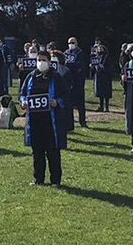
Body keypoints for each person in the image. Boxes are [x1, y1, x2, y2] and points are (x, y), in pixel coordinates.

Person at [20, 51, 69, 186]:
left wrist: (57, 102)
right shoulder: (31, 77)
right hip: (35, 120)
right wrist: (23, 102)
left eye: (43, 60)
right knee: (37, 151)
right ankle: (38, 179)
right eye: (38, 60)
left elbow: (66, 95)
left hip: (50, 120)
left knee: (53, 152)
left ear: (49, 61)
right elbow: (22, 93)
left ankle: (55, 180)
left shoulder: (56, 77)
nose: (40, 62)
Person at [64, 37, 89, 127]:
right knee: (68, 103)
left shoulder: (80, 53)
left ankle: (82, 121)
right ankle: (69, 122)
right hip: (68, 81)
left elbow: (81, 65)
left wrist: (70, 65)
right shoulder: (66, 53)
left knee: (80, 103)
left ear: (77, 43)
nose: (71, 44)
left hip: (78, 81)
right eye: (70, 42)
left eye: (73, 42)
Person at [90, 44, 112, 112]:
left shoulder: (106, 57)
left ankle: (107, 107)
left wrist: (103, 67)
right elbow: (94, 67)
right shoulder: (96, 57)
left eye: (101, 48)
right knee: (100, 92)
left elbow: (110, 67)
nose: (99, 49)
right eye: (98, 48)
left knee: (106, 91)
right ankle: (101, 106)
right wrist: (92, 67)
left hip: (105, 76)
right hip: (98, 76)